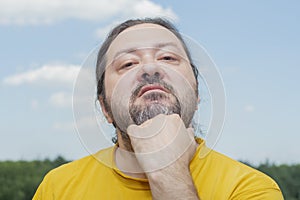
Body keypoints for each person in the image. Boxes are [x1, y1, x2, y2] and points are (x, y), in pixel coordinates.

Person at [33, 18, 283, 199]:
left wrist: (168, 174)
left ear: (196, 96)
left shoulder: (250, 189)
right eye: (128, 63)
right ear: (105, 108)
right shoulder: (57, 188)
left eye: (168, 58)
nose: (150, 69)